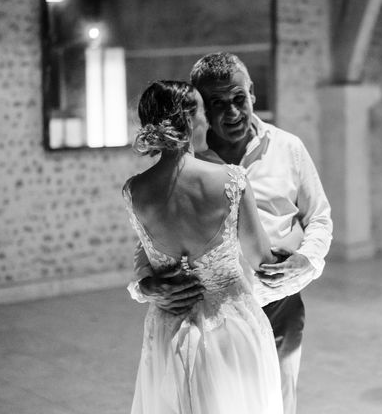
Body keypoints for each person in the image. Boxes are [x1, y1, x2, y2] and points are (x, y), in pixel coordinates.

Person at [128, 52, 333, 414]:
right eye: (216, 104)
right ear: (198, 112)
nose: (232, 113)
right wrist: (146, 282)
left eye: (238, 98)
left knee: (277, 403)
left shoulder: (289, 148)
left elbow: (319, 217)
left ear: (253, 92)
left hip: (278, 305)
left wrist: (306, 259)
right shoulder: (193, 162)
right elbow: (150, 241)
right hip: (205, 319)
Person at [122, 80, 284, 414]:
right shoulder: (231, 180)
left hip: (169, 329)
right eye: (202, 109)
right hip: (231, 328)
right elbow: (261, 259)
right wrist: (296, 242)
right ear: (188, 118)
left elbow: (146, 256)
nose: (210, 118)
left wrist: (147, 286)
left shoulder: (134, 191)